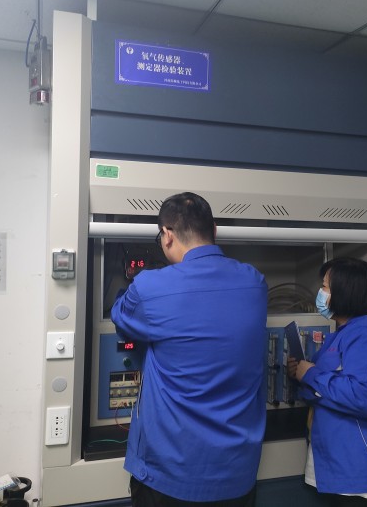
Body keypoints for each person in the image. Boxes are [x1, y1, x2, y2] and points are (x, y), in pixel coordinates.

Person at [111, 192, 268, 507]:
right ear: (215, 230)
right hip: (237, 475)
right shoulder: (255, 282)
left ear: (167, 235)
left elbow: (122, 318)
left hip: (169, 477)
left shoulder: (149, 287)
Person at [287, 257, 367, 507]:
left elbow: (363, 397)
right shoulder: (343, 335)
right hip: (347, 469)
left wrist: (311, 375)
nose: (320, 293)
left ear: (346, 292)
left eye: (325, 287)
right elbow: (327, 390)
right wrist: (301, 375)